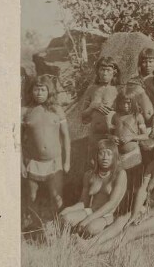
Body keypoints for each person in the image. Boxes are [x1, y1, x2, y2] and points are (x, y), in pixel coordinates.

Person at [89, 132, 154, 255]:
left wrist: (147, 215)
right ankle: (90, 243)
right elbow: (143, 190)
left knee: (132, 230)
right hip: (147, 208)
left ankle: (94, 250)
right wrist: (135, 213)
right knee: (122, 221)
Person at [21, 75, 71, 219]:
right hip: (32, 161)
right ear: (31, 91)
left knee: (56, 196)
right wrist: (21, 165)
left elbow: (66, 137)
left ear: (49, 91)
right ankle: (36, 227)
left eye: (43, 90)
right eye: (36, 89)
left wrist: (67, 161)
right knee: (32, 196)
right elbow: (17, 140)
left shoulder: (57, 110)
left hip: (55, 161)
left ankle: (56, 226)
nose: (39, 93)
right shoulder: (25, 111)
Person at [60, 139, 127, 239]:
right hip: (91, 211)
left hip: (108, 215)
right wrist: (69, 209)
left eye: (109, 154)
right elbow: (84, 202)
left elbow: (112, 204)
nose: (105, 158)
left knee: (91, 228)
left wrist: (88, 219)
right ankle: (71, 238)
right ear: (96, 156)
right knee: (66, 218)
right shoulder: (89, 175)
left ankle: (86, 237)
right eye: (101, 154)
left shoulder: (120, 174)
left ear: (114, 156)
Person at [81, 56, 120, 165]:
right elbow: (83, 118)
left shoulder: (118, 90)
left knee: (111, 168)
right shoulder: (92, 90)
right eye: (102, 69)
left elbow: (125, 116)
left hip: (111, 137)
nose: (104, 73)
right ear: (98, 71)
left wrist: (115, 134)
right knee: (93, 166)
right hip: (94, 136)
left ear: (114, 72)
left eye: (108, 70)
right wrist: (93, 106)